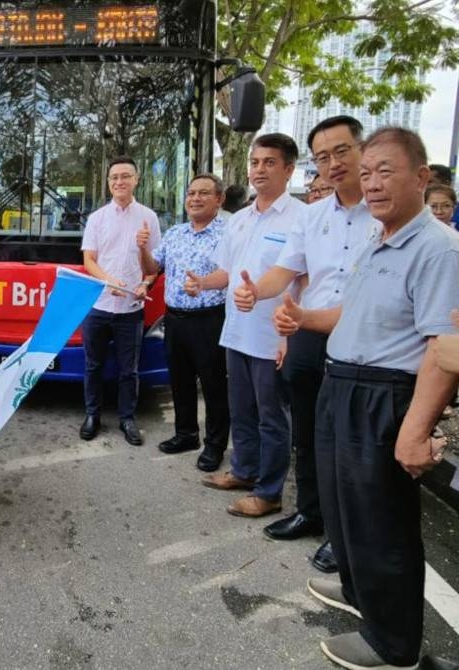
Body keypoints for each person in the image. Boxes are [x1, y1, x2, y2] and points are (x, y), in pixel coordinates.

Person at [278, 127, 459, 670]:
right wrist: (304, 318)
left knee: (381, 521)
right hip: (343, 382)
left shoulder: (437, 249)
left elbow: (441, 349)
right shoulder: (380, 239)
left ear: (421, 178)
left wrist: (414, 430)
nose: (373, 184)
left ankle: (394, 643)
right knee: (344, 508)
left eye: (386, 171)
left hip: (383, 394)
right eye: (368, 173)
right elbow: (351, 313)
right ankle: (360, 593)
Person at [232, 117, 380, 574]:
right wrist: (258, 289)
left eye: (342, 151)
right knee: (310, 436)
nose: (333, 164)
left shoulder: (383, 212)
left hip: (366, 344)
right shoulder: (312, 217)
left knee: (351, 442)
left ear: (363, 151)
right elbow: (286, 270)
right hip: (309, 336)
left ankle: (344, 535)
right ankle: (311, 512)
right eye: (323, 157)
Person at [185, 133, 306, 518]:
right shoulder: (238, 220)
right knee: (242, 411)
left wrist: (292, 334)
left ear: (289, 169)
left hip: (273, 335)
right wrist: (203, 283)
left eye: (269, 162)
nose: (259, 170)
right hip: (236, 331)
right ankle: (243, 470)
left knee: (272, 416)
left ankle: (269, 492)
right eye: (255, 162)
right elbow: (227, 272)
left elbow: (302, 279)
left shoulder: (301, 218)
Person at [142, 174, 229, 469]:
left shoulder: (229, 234)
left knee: (214, 385)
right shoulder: (175, 233)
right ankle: (186, 434)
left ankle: (215, 445)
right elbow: (154, 266)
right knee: (179, 381)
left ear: (219, 199)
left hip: (210, 319)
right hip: (175, 319)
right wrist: (142, 249)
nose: (195, 198)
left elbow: (233, 272)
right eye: (191, 193)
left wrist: (204, 283)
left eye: (204, 193)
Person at [79, 156, 161, 445]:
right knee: (93, 365)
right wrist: (108, 280)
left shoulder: (148, 218)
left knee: (130, 369)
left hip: (131, 308)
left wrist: (144, 284)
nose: (119, 182)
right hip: (99, 305)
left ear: (136, 180)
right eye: (114, 177)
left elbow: (154, 266)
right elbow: (89, 259)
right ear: (109, 183)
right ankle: (92, 415)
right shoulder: (97, 218)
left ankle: (127, 418)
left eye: (125, 176)